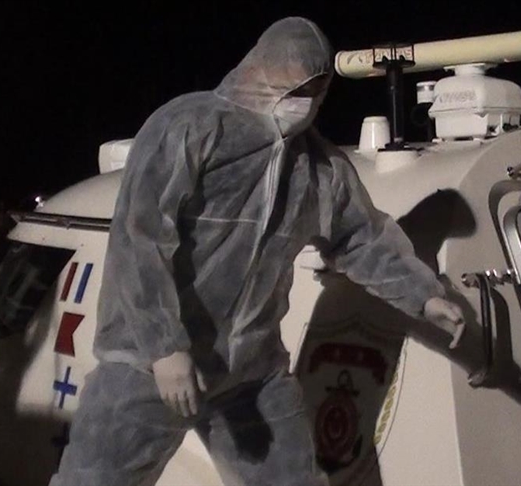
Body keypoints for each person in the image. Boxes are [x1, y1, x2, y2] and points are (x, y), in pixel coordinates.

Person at [50, 17, 464, 486]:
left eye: (317, 90)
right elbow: (140, 238)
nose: (307, 102)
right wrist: (165, 349)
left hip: (250, 374)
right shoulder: (189, 127)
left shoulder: (318, 167)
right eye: (297, 88)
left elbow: (360, 238)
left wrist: (425, 297)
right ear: (260, 72)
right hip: (147, 368)